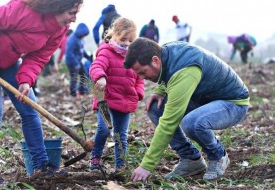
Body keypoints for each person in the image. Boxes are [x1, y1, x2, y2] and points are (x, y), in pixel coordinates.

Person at [0, 0, 83, 189]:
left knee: (29, 109)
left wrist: (26, 80)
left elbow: (37, 58)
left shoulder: (58, 31)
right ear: (58, 6)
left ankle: (41, 165)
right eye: (71, 12)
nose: (74, 18)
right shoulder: (25, 11)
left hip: (8, 61)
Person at [124, 38, 249, 181]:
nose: (142, 78)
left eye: (143, 72)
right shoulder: (164, 51)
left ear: (155, 60)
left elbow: (168, 123)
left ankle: (218, 156)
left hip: (233, 103)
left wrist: (146, 165)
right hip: (204, 98)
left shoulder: (185, 72)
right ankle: (191, 159)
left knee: (193, 123)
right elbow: (167, 73)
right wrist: (159, 89)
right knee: (155, 108)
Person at [89, 17, 145, 172]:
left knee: (121, 135)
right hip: (106, 100)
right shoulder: (106, 52)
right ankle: (95, 159)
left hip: (125, 101)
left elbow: (140, 78)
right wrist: (100, 77)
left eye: (130, 40)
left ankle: (121, 165)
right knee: (104, 129)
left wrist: (139, 92)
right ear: (114, 35)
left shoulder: (134, 57)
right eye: (123, 39)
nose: (126, 43)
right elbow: (96, 66)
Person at [65, 23, 92, 97]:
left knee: (84, 75)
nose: (84, 36)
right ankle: (73, 94)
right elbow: (69, 53)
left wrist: (88, 57)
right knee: (74, 78)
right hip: (71, 62)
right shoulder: (72, 39)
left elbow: (82, 50)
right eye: (84, 34)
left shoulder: (81, 39)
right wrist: (76, 64)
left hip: (78, 61)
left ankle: (82, 91)